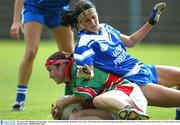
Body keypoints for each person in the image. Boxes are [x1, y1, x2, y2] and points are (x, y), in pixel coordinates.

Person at [60, 0, 180, 119]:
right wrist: (86, 72)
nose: (92, 22)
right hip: (134, 81)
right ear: (79, 23)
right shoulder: (83, 44)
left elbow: (131, 41)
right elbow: (89, 73)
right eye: (87, 20)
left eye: (93, 17)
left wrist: (151, 22)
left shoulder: (105, 27)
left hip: (142, 68)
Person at [9, 0, 81, 111]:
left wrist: (84, 18)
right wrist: (16, 21)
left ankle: (77, 95)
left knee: (70, 55)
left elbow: (81, 2)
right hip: (34, 8)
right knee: (30, 52)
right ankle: (20, 100)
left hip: (59, 11)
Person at [45, 51, 149, 120]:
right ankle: (128, 116)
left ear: (61, 65)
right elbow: (79, 104)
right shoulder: (69, 85)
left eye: (50, 70)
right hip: (114, 110)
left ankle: (134, 114)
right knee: (75, 118)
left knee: (97, 100)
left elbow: (84, 95)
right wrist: (59, 115)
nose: (50, 76)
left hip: (127, 93)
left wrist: (65, 101)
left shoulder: (80, 68)